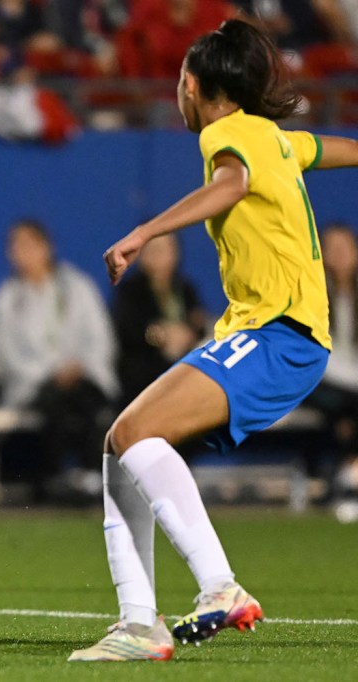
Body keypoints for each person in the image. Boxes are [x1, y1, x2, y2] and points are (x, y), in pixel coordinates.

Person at [69, 19, 358, 662]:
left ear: (193, 85)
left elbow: (232, 184)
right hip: (285, 337)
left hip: (276, 333)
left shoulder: (228, 134)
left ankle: (219, 587)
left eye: (180, 81)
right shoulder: (276, 139)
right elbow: (333, 148)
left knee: (136, 435)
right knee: (121, 444)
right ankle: (139, 623)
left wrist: (145, 231)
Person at [0, 219, 119, 502]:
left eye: (27, 245)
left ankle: (90, 475)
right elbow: (9, 356)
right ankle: (58, 479)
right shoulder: (7, 299)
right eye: (14, 246)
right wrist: (52, 373)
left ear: (46, 247)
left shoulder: (78, 287)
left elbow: (100, 338)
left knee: (87, 400)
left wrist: (79, 367)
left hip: (83, 378)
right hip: (36, 387)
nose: (19, 253)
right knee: (56, 403)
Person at [111, 232, 208, 406]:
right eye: (152, 249)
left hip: (184, 369)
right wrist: (160, 335)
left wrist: (187, 334)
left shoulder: (185, 288)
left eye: (165, 249)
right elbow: (129, 328)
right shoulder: (130, 290)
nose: (158, 255)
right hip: (144, 375)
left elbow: (199, 323)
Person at [304, 222, 358, 519]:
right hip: (317, 383)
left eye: (344, 248)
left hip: (351, 388)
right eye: (331, 249)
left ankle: (347, 478)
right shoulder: (310, 294)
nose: (338, 255)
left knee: (350, 413)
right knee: (348, 406)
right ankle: (349, 480)